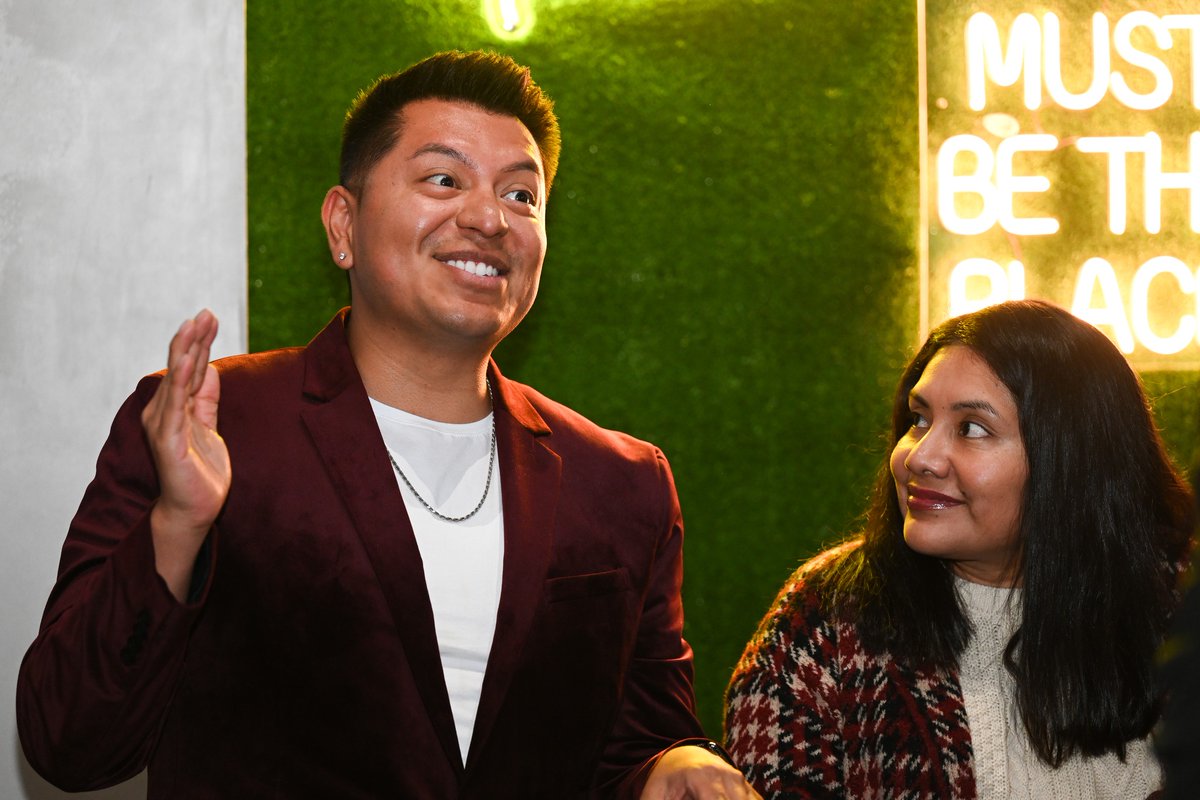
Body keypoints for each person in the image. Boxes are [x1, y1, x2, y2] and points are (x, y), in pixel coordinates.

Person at [17, 50, 758, 799]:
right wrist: (178, 525)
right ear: (343, 224)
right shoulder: (210, 428)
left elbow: (643, 741)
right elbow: (68, 740)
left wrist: (675, 764)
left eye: (522, 195)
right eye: (444, 180)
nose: (489, 217)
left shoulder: (622, 483)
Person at [724, 300, 1194, 799]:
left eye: (972, 428)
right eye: (919, 419)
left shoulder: (1181, 597)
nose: (919, 457)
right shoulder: (830, 614)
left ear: (1073, 459)